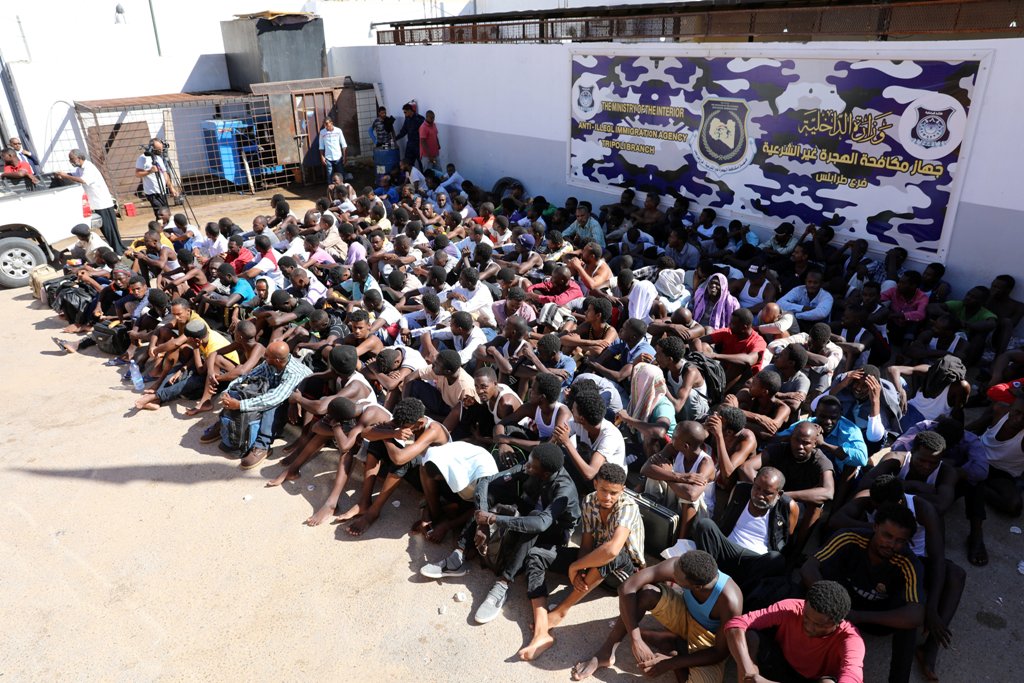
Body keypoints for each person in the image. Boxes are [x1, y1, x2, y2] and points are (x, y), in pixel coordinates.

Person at [421, 443, 581, 626]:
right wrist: (482, 521)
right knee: (492, 492)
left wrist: (493, 519)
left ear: (544, 474)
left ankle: (503, 584)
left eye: (531, 466)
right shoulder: (533, 466)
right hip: (528, 510)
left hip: (553, 533)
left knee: (534, 520)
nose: (526, 466)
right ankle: (459, 554)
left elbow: (541, 523)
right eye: (528, 462)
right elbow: (486, 480)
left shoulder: (564, 489)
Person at [828, 475, 966, 680]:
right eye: (881, 512)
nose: (887, 513)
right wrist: (879, 534)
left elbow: (937, 558)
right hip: (877, 553)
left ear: (901, 501)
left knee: (954, 575)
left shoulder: (923, 509)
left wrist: (932, 608)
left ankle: (930, 648)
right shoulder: (871, 500)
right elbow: (835, 521)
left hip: (912, 562)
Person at [518, 463, 644, 661]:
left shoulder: (628, 507)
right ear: (595, 484)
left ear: (622, 490)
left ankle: (561, 611)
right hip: (595, 558)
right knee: (536, 554)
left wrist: (575, 567)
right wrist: (581, 570)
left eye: (614, 493)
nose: (607, 497)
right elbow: (586, 543)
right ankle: (542, 627)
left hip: (623, 573)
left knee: (611, 554)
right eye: (603, 490)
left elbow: (612, 550)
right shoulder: (589, 501)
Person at [571, 550, 743, 682]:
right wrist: (636, 639)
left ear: (696, 586)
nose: (672, 573)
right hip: (685, 613)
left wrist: (671, 664)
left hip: (707, 638)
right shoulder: (681, 565)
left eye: (677, 577)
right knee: (646, 593)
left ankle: (674, 647)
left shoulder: (730, 600)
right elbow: (627, 587)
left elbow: (720, 652)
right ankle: (606, 653)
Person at [802, 504, 924, 683]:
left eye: (899, 541)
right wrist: (830, 604)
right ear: (875, 527)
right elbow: (809, 568)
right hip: (837, 605)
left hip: (874, 618)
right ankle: (796, 641)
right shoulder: (849, 538)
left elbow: (916, 615)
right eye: (887, 535)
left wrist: (859, 616)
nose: (891, 544)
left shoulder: (908, 563)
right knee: (807, 586)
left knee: (908, 625)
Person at [725, 580, 865, 683]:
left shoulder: (851, 640)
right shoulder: (791, 608)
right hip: (780, 665)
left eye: (818, 624)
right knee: (750, 638)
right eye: (806, 617)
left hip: (813, 679)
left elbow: (852, 677)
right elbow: (736, 625)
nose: (809, 627)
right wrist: (748, 670)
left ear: (837, 622)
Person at [691, 467, 798, 598]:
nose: (759, 495)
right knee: (705, 525)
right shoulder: (740, 491)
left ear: (779, 494)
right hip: (727, 549)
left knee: (776, 559)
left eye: (767, 493)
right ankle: (707, 577)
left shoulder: (788, 507)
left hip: (755, 561)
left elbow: (788, 543)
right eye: (757, 488)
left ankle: (740, 594)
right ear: (753, 482)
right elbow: (725, 519)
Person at [205, 341, 313, 469]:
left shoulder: (294, 372)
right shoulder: (269, 362)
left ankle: (262, 445)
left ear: (277, 360)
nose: (264, 357)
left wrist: (240, 405)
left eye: (267, 356)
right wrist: (227, 392)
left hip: (294, 404)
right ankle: (227, 424)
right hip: (277, 393)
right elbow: (248, 376)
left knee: (272, 401)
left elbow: (275, 398)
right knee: (244, 388)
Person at [776, 396, 868, 503]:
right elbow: (776, 439)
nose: (828, 421)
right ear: (815, 414)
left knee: (851, 466)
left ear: (840, 415)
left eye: (833, 417)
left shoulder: (849, 429)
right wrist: (807, 434)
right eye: (823, 417)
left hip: (840, 476)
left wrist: (823, 444)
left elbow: (862, 459)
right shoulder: (809, 424)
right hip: (811, 471)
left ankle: (835, 509)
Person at [642, 421, 716, 539]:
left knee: (688, 494)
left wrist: (669, 475)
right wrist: (678, 476)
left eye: (675, 437)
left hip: (699, 513)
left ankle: (680, 542)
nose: (671, 438)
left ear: (685, 446)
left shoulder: (706, 463)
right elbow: (645, 468)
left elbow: (692, 495)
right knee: (656, 474)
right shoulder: (674, 447)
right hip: (677, 496)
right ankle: (649, 517)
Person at [554, 390, 627, 492]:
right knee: (557, 455)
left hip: (607, 484)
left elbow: (590, 474)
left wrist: (566, 442)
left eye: (574, 409)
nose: (571, 410)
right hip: (588, 468)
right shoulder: (578, 422)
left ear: (582, 419)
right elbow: (555, 439)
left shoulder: (610, 436)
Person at [55, 149, 124, 254]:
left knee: (110, 229)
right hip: (96, 203)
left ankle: (118, 250)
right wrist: (64, 174)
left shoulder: (89, 167)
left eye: (72, 159)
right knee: (107, 230)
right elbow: (75, 175)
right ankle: (117, 249)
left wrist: (65, 176)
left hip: (102, 203)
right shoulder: (80, 169)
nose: (71, 161)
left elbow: (83, 180)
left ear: (79, 158)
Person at [693, 308, 767, 390]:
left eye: (733, 324)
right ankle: (704, 381)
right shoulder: (728, 332)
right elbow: (699, 340)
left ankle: (718, 390)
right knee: (704, 346)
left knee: (738, 363)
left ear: (744, 327)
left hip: (742, 380)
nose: (729, 325)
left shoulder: (758, 342)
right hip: (723, 370)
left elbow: (749, 360)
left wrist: (714, 356)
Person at [135, 138, 177, 217]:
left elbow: (165, 173)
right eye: (158, 149)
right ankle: (159, 227)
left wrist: (171, 188)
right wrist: (149, 171)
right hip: (152, 192)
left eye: (161, 149)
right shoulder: (142, 158)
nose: (160, 151)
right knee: (161, 214)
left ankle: (166, 227)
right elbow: (137, 174)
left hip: (162, 191)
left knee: (167, 213)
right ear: (152, 148)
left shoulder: (158, 158)